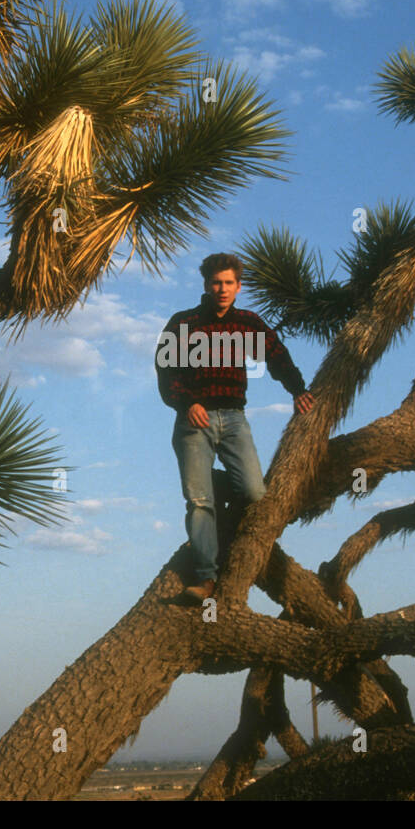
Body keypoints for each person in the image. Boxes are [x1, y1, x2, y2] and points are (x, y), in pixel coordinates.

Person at [154, 252, 314, 603]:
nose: (222, 289)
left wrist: (298, 390)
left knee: (254, 491)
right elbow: (165, 370)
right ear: (206, 285)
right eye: (216, 283)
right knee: (199, 503)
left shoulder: (247, 324)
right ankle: (206, 578)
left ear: (238, 286)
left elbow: (277, 357)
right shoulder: (185, 323)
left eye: (229, 283)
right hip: (194, 420)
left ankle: (207, 481)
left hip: (234, 418)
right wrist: (187, 403)